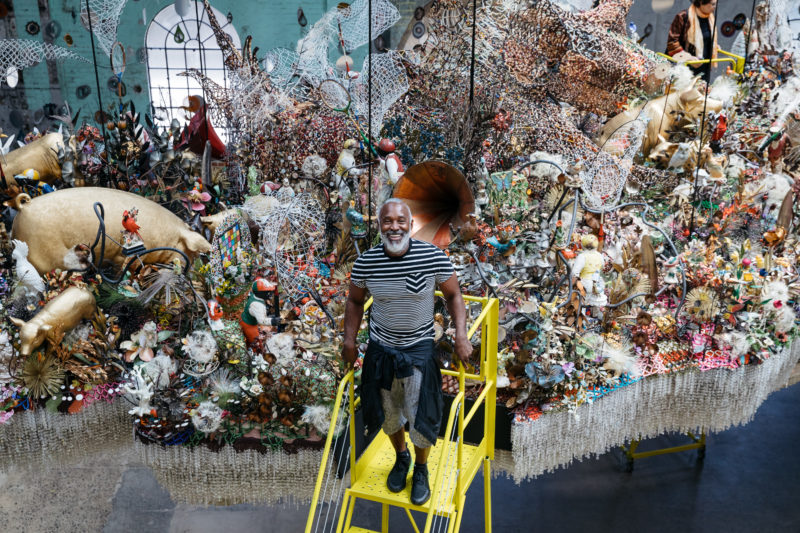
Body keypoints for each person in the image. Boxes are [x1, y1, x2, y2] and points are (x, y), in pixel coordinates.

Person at [342, 198, 472, 505]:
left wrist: (461, 336)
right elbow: (355, 301)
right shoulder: (366, 263)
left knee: (421, 414)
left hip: (418, 351)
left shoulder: (431, 256)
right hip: (381, 351)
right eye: (388, 220)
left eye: (401, 220)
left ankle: (422, 468)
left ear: (410, 224)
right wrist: (349, 340)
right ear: (379, 225)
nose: (394, 226)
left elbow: (454, 295)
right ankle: (401, 458)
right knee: (389, 414)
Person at [666, 0, 718, 82]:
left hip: (703, 68)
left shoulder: (710, 18)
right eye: (713, 4)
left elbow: (706, 38)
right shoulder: (683, 17)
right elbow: (672, 42)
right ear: (701, 3)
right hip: (683, 68)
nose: (715, 7)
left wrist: (714, 46)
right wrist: (688, 58)